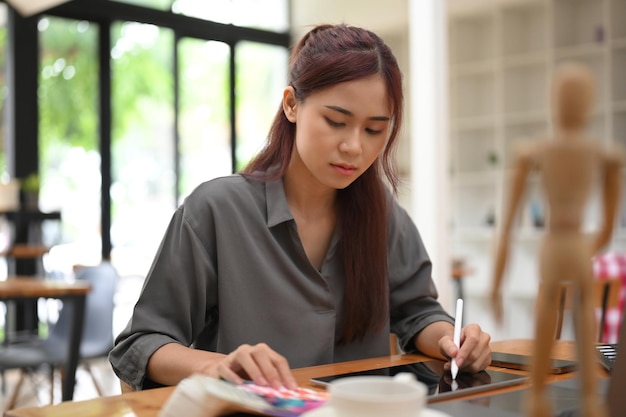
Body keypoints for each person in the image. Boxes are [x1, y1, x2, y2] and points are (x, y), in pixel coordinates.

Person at [109, 23, 492, 392]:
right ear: (292, 105)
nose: (355, 147)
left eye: (374, 130)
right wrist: (215, 365)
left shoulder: (382, 213)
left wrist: (452, 340)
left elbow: (417, 311)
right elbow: (141, 343)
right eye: (336, 121)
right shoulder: (216, 211)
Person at [491, 62, 624, 417]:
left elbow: (507, 226)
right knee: (578, 315)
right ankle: (590, 399)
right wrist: (590, 246)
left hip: (555, 244)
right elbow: (609, 225)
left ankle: (539, 396)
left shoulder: (535, 151)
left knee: (547, 314)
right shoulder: (601, 154)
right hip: (576, 243)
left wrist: (496, 281)